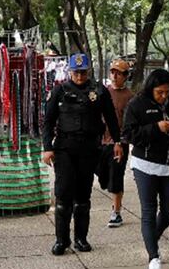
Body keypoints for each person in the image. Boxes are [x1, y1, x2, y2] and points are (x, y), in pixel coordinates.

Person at [42, 52, 122, 256]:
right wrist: (47, 148)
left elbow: (111, 118)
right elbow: (48, 122)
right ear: (70, 71)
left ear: (88, 71)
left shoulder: (99, 91)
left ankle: (81, 238)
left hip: (88, 149)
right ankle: (62, 240)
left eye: (83, 72)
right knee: (63, 194)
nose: (80, 76)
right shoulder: (59, 91)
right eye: (76, 72)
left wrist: (117, 141)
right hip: (64, 149)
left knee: (83, 196)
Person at [123, 68, 169, 269]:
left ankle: (151, 239)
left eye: (167, 91)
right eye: (160, 92)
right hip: (145, 164)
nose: (164, 96)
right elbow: (129, 135)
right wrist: (156, 128)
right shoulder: (137, 104)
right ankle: (153, 257)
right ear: (151, 88)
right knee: (149, 210)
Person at [103, 59, 133, 228]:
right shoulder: (103, 92)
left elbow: (128, 125)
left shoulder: (130, 97)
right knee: (103, 175)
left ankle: (117, 212)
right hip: (101, 142)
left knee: (116, 177)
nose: (115, 76)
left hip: (119, 144)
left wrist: (121, 142)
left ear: (126, 76)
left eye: (119, 73)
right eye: (113, 72)